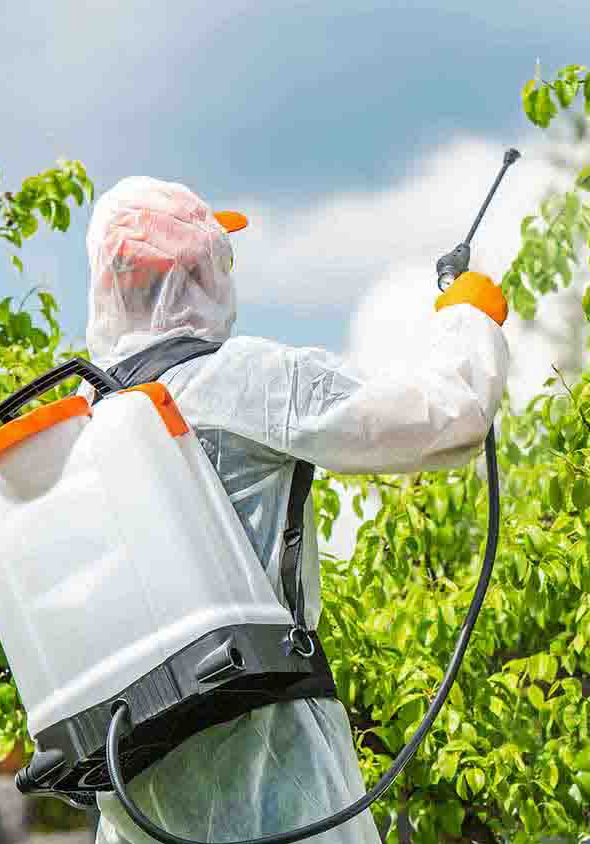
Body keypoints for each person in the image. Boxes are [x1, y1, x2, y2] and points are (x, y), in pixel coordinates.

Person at [82, 176, 510, 844]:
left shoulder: (87, 427)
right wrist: (467, 316)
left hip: (138, 794)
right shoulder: (234, 379)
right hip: (270, 758)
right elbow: (446, 418)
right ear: (196, 273)